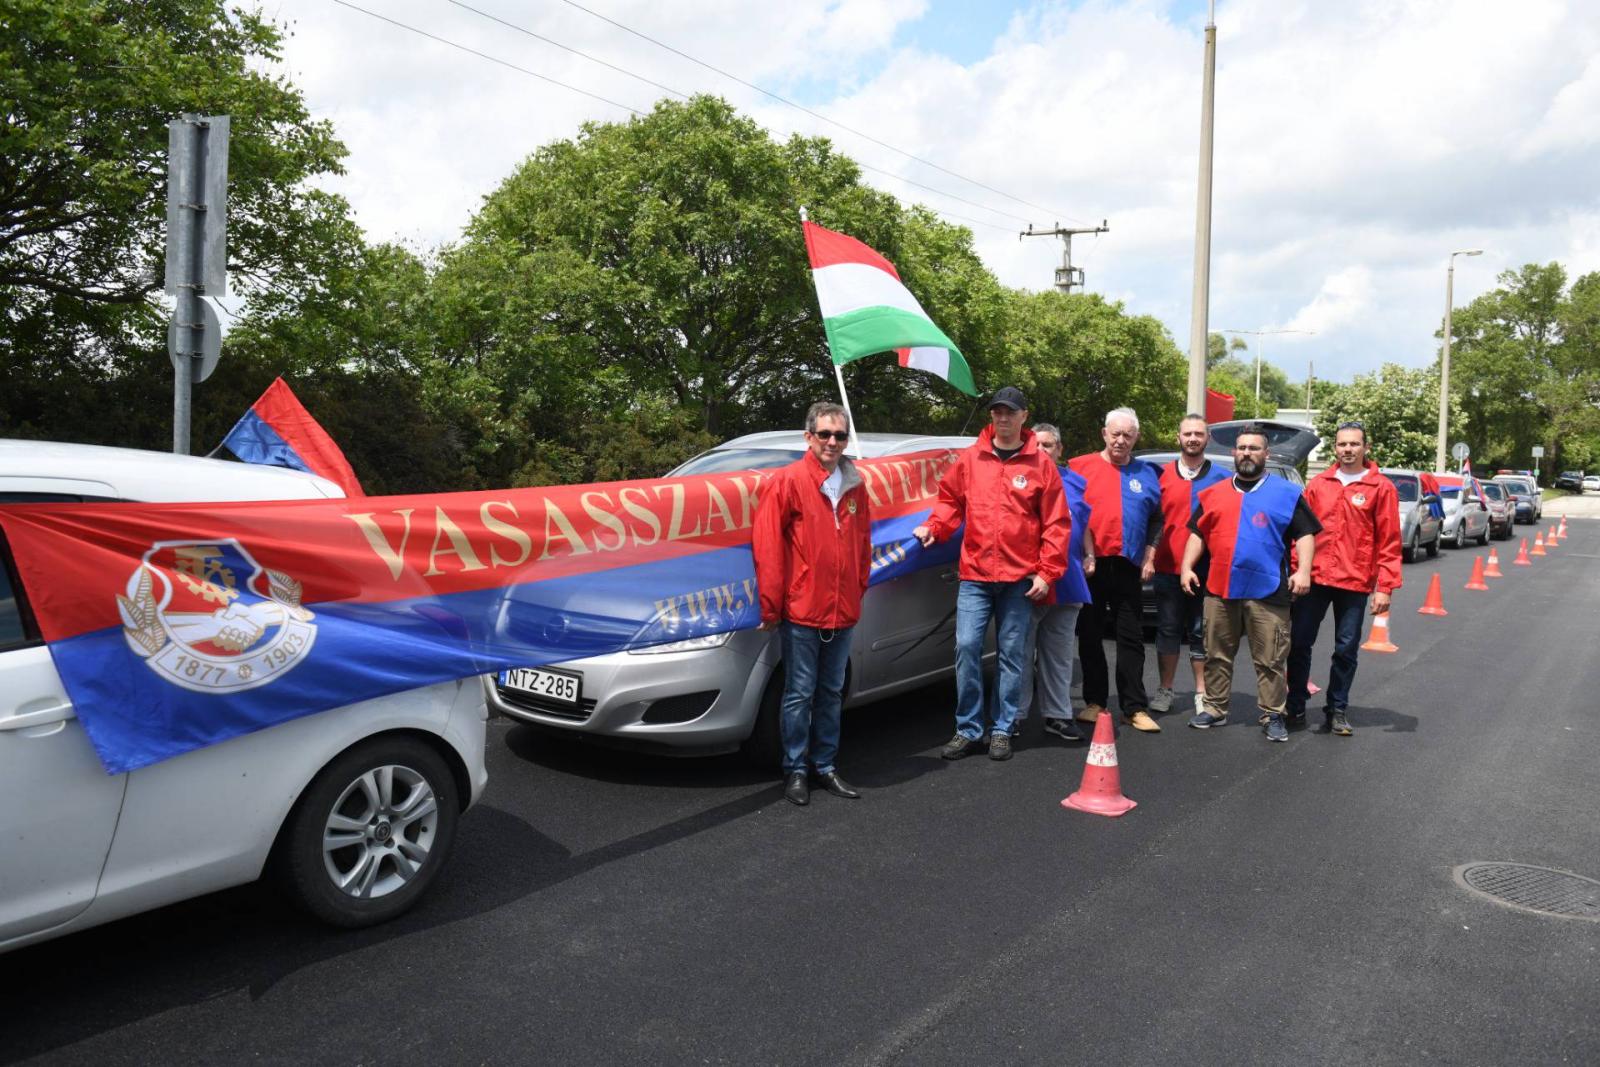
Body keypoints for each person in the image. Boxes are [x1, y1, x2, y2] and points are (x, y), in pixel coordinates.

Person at [913, 387, 1070, 762]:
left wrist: (1047, 573)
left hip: (1019, 579)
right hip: (977, 575)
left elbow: (1056, 523)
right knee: (967, 648)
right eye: (997, 411)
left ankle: (1002, 728)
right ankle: (969, 728)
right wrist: (935, 527)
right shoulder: (971, 458)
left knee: (1012, 655)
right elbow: (950, 501)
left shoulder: (1040, 464)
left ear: (1023, 417)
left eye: (1010, 412)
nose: (1002, 418)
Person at [752, 401, 873, 806]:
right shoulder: (785, 481)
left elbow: (862, 545)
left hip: (842, 611)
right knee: (799, 693)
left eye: (840, 435)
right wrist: (771, 606)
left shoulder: (855, 483)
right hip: (802, 610)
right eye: (825, 434)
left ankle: (825, 766)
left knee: (831, 692)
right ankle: (795, 771)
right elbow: (767, 546)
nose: (833, 442)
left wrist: (857, 589)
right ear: (809, 437)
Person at [1182, 424, 1321, 742]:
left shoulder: (1287, 494)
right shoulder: (1214, 492)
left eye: (1254, 448)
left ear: (1266, 454)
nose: (1247, 453)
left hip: (1269, 590)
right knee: (1216, 653)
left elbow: (1306, 534)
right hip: (1219, 588)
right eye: (1242, 448)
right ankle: (1215, 708)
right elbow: (1197, 533)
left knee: (1271, 658)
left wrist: (1303, 572)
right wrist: (1186, 566)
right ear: (1234, 452)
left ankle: (1273, 715)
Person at [1286, 420, 1402, 735]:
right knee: (1298, 644)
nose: (1347, 449)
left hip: (1354, 581)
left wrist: (1385, 588)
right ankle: (1294, 707)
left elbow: (1389, 541)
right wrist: (1299, 568)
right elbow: (1301, 532)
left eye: (1354, 444)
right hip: (1315, 579)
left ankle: (1337, 709)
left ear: (1366, 447)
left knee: (1346, 649)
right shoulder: (1318, 484)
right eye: (1342, 444)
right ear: (1335, 448)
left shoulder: (1381, 487)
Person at [1069, 407, 1163, 733]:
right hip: (1090, 565)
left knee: (1131, 639)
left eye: (1128, 435)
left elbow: (1157, 519)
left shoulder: (1149, 473)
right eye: (1115, 433)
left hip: (1128, 566)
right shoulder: (1079, 467)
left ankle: (1134, 707)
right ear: (1104, 434)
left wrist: (1150, 557)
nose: (1121, 440)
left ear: (1136, 437)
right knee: (1090, 635)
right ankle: (1095, 702)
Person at [1013, 423, 1095, 744]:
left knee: (1059, 655)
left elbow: (1082, 522)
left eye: (1048, 445)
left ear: (1059, 449)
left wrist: (1090, 553)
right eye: (1036, 444)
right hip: (1029, 582)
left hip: (1068, 581)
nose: (1042, 450)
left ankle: (1058, 715)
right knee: (1019, 654)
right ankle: (1014, 716)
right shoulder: (1017, 479)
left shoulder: (1076, 482)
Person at [1150, 415, 1230, 715]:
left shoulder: (1222, 478)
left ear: (1207, 438)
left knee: (1201, 632)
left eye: (1198, 434)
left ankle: (1202, 692)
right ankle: (1165, 689)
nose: (1193, 438)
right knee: (1168, 630)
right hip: (1167, 568)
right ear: (1178, 437)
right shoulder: (1160, 476)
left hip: (1207, 570)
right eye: (1188, 434)